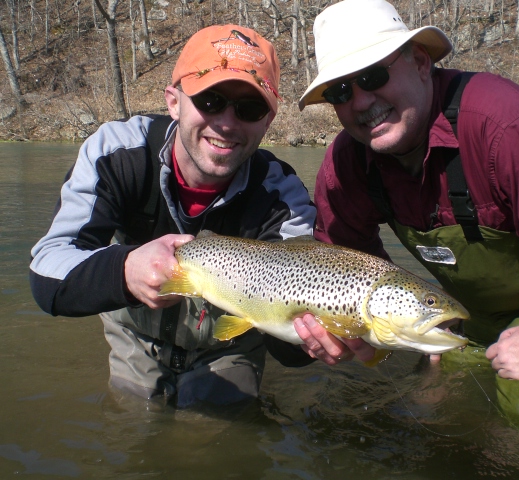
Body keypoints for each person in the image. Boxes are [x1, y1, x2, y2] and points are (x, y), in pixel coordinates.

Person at [293, 0, 519, 425]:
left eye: (372, 76)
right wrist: (348, 330)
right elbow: (339, 265)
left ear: (420, 62)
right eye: (341, 92)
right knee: (431, 412)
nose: (361, 102)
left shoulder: (507, 126)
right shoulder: (348, 163)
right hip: (459, 309)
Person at [29, 25, 318, 409]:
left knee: (210, 442)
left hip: (229, 345)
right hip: (135, 337)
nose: (227, 123)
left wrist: (317, 338)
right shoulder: (117, 153)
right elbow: (48, 272)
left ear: (267, 121)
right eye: (210, 100)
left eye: (249, 108)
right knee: (134, 426)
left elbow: (292, 353)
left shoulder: (283, 197)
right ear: (173, 102)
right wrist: (126, 270)